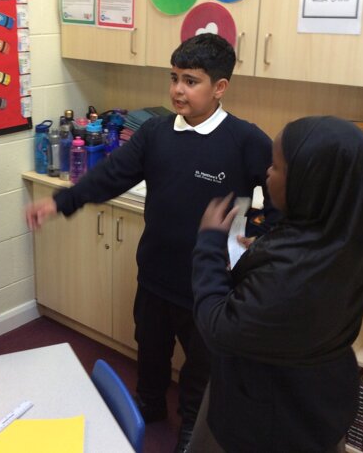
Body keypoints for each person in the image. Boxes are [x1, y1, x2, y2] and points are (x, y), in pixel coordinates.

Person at [25, 33, 275, 452]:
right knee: (151, 352)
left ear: (219, 87)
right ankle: (149, 405)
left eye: (191, 81)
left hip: (209, 285)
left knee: (201, 369)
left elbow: (280, 196)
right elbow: (113, 175)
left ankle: (191, 430)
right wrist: (61, 201)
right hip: (155, 273)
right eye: (174, 78)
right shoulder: (156, 132)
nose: (178, 89)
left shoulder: (246, 140)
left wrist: (263, 237)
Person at [190, 116, 363, 453]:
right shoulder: (349, 237)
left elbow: (219, 326)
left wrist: (208, 244)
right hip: (322, 403)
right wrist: (261, 252)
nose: (267, 173)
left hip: (270, 417)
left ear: (309, 182)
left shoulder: (290, 277)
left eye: (277, 167)